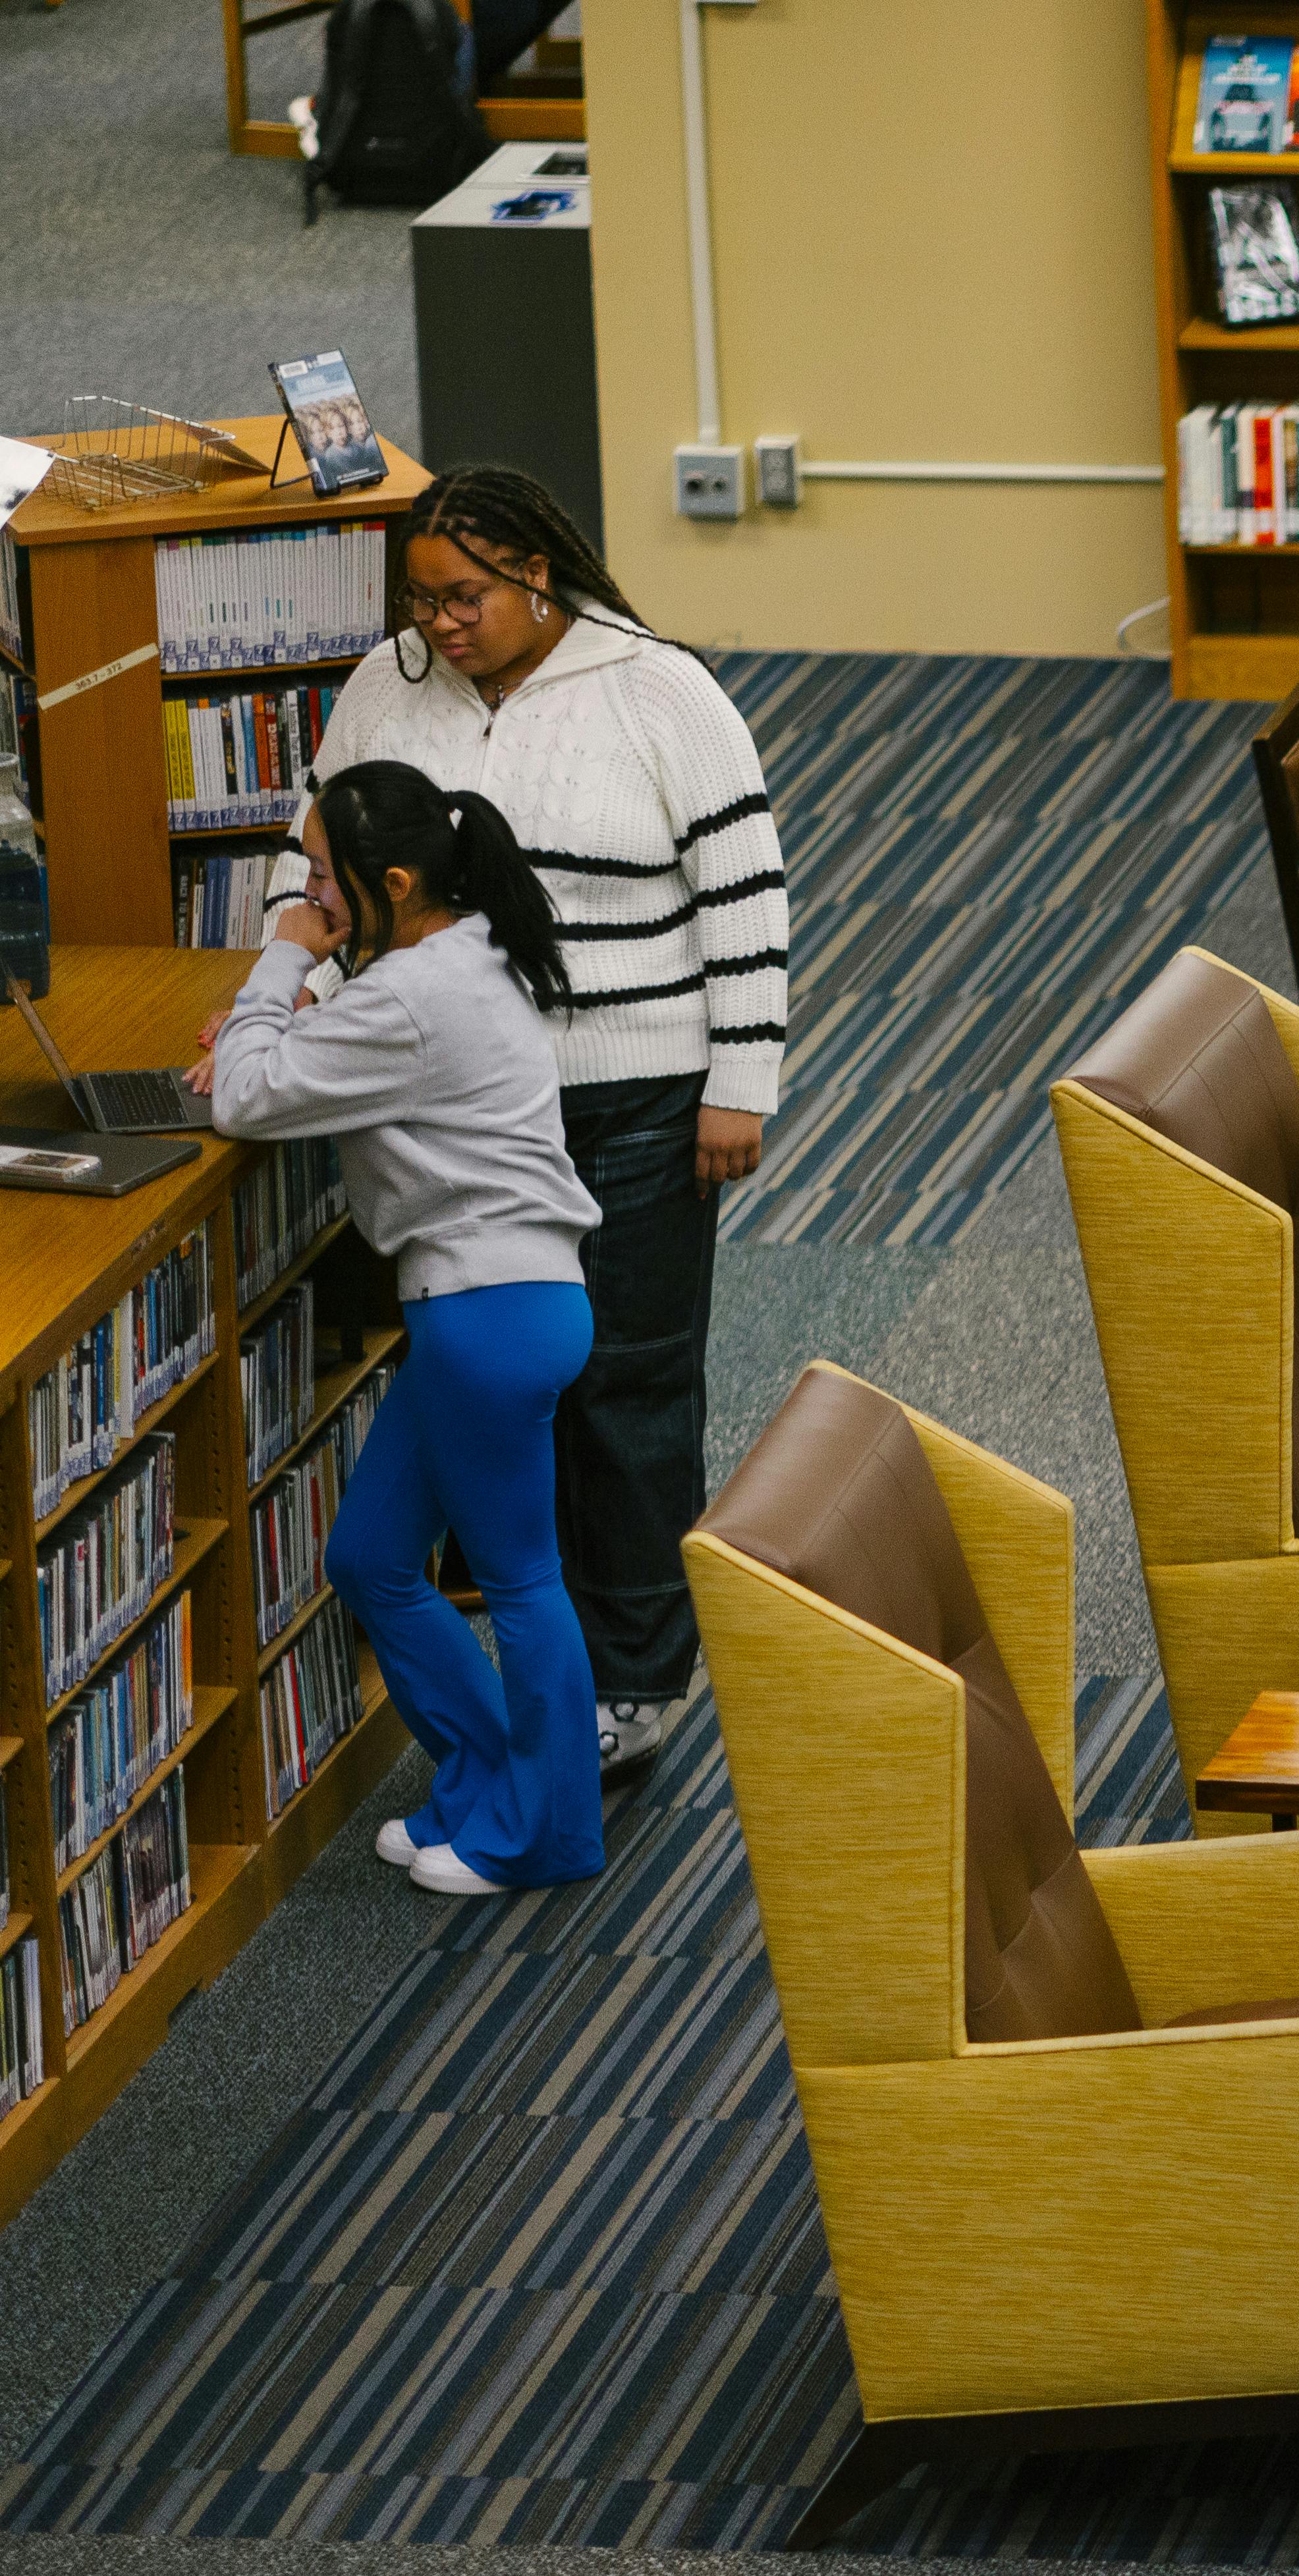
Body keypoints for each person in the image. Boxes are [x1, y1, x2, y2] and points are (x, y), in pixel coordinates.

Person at [283, 465, 792, 1786]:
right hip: (451, 1095)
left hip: (633, 1091)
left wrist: (742, 1079)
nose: (439, 626)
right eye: (421, 599)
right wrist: (291, 987)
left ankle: (632, 1679)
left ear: (536, 575)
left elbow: (743, 890)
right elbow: (315, 862)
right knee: (497, 1383)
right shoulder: (386, 690)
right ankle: (520, 1642)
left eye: (463, 597)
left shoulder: (656, 690)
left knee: (624, 1383)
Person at [198, 762, 605, 1897]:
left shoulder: (407, 995)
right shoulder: (464, 947)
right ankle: (486, 1783)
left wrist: (287, 957)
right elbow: (307, 1063)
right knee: (371, 1557)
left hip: (489, 1314)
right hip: (503, 1301)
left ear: (388, 880)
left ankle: (545, 1835)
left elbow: (246, 1096)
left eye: (323, 879)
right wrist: (304, 1015)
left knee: (523, 1584)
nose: (313, 896)